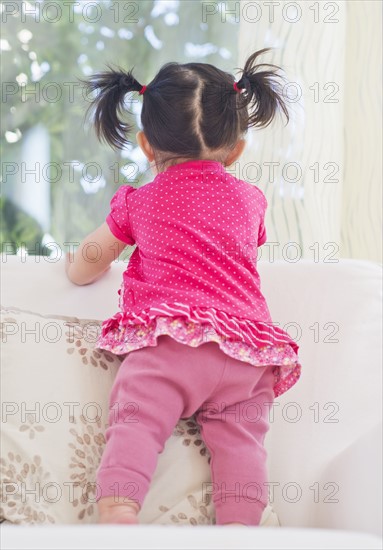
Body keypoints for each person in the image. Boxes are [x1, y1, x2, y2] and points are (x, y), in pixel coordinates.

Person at [65, 48, 302, 526]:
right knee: (242, 444)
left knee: (135, 419)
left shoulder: (141, 202)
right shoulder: (250, 200)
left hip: (172, 346)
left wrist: (81, 258)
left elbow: (83, 269)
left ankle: (117, 511)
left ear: (147, 146)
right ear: (236, 149)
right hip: (245, 353)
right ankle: (239, 527)